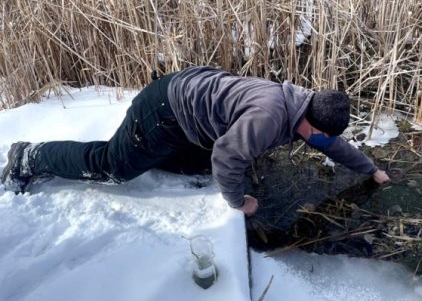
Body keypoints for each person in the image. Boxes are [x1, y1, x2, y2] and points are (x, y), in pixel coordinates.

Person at [1, 66, 390, 215]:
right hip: (166, 111)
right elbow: (226, 155)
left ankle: (142, 151)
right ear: (312, 121)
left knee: (197, 166)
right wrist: (239, 202)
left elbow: (330, 144)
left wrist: (370, 169)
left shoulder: (307, 108)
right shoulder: (269, 117)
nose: (320, 142)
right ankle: (28, 158)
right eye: (319, 137)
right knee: (114, 167)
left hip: (193, 107)